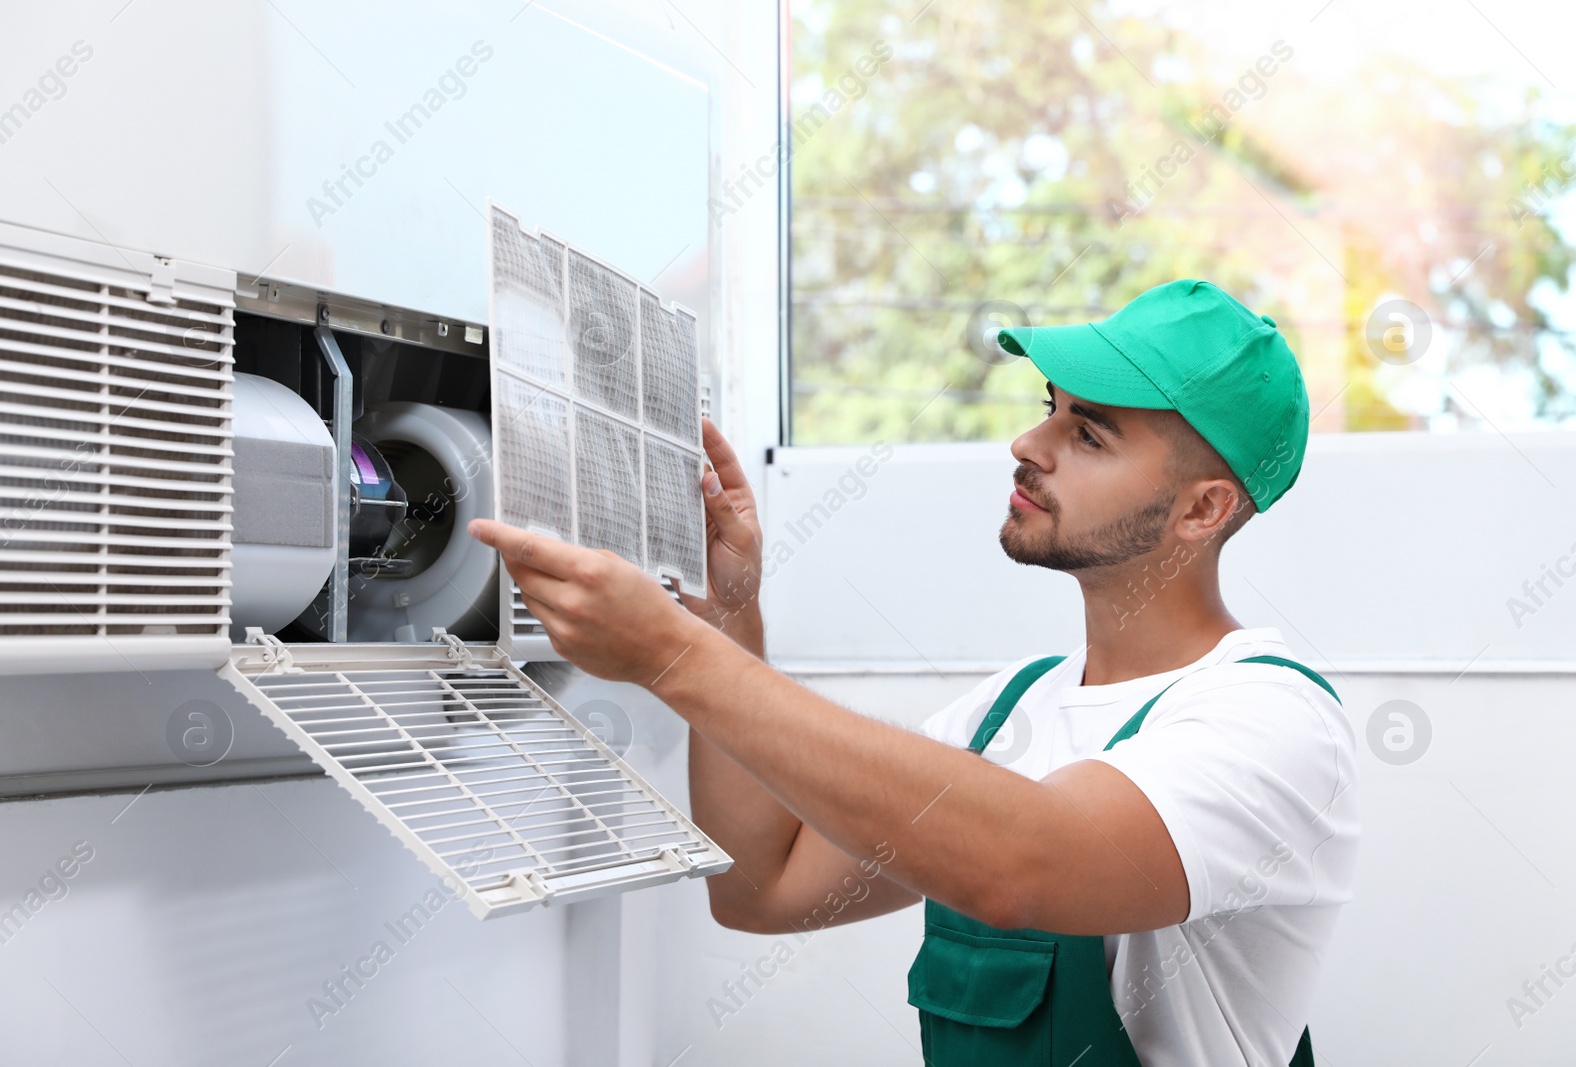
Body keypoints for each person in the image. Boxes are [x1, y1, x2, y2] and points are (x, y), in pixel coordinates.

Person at [469, 279, 1359, 1066]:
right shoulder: (1009, 711)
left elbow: (1024, 865)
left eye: (1088, 433)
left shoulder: (1269, 718)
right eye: (1049, 406)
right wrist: (729, 620)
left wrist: (671, 654)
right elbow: (761, 887)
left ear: (1203, 508)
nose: (1028, 441)